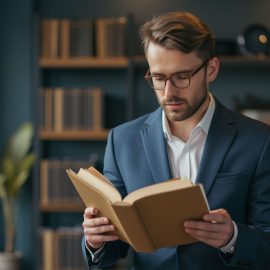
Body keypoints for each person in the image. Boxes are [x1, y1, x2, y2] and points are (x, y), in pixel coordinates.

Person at [81, 11, 270, 269]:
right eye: (158, 78)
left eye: (182, 76)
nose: (169, 93)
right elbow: (117, 244)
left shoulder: (259, 141)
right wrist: (96, 241)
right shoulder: (122, 140)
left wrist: (232, 237)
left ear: (211, 69)